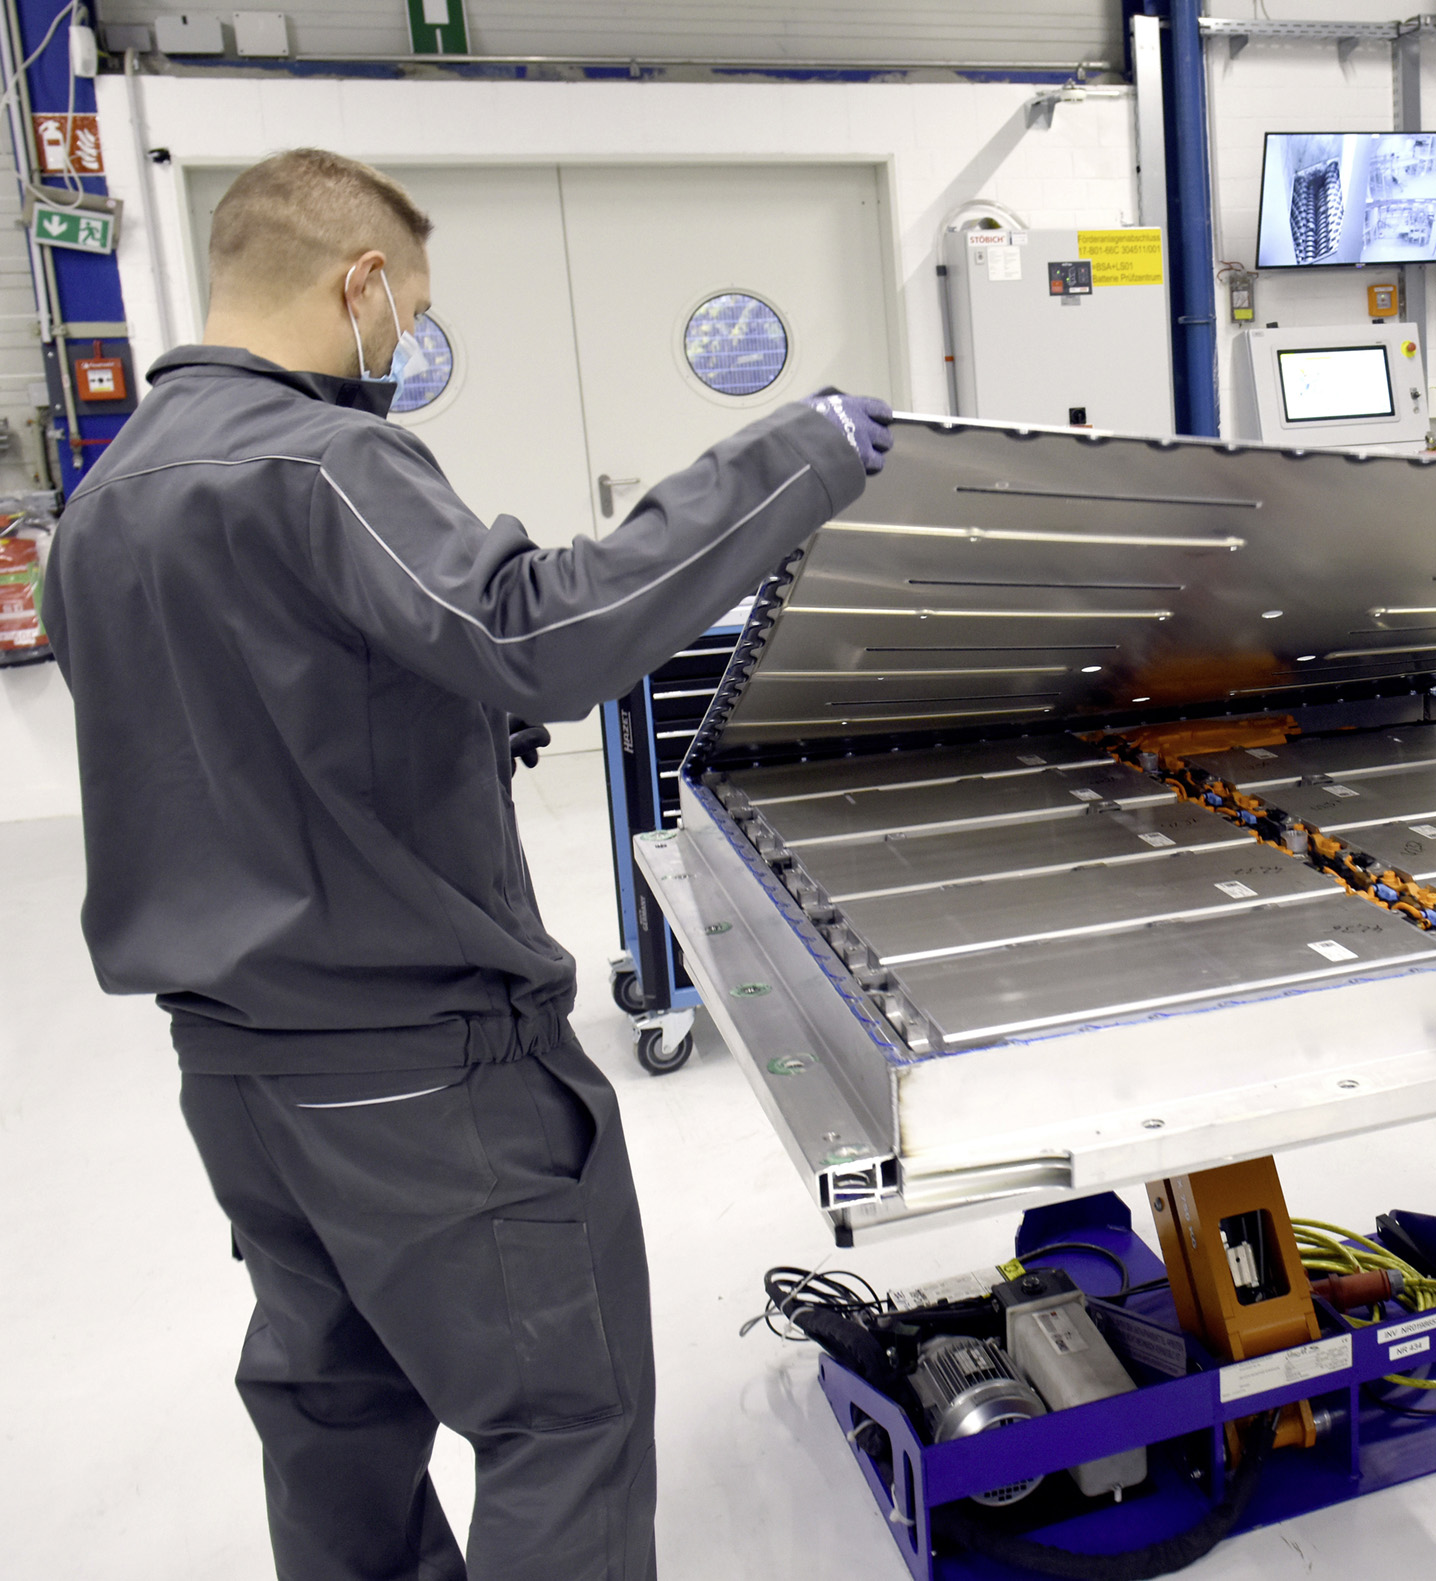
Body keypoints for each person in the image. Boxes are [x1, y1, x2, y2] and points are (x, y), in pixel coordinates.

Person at [45, 148, 892, 1578]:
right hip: (426, 1077)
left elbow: (232, 733)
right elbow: (532, 630)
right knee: (563, 1427)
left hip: (240, 1080)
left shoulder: (102, 502)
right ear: (363, 282)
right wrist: (788, 460)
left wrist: (445, 726)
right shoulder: (327, 462)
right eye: (415, 314)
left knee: (335, 1421)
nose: (405, 343)